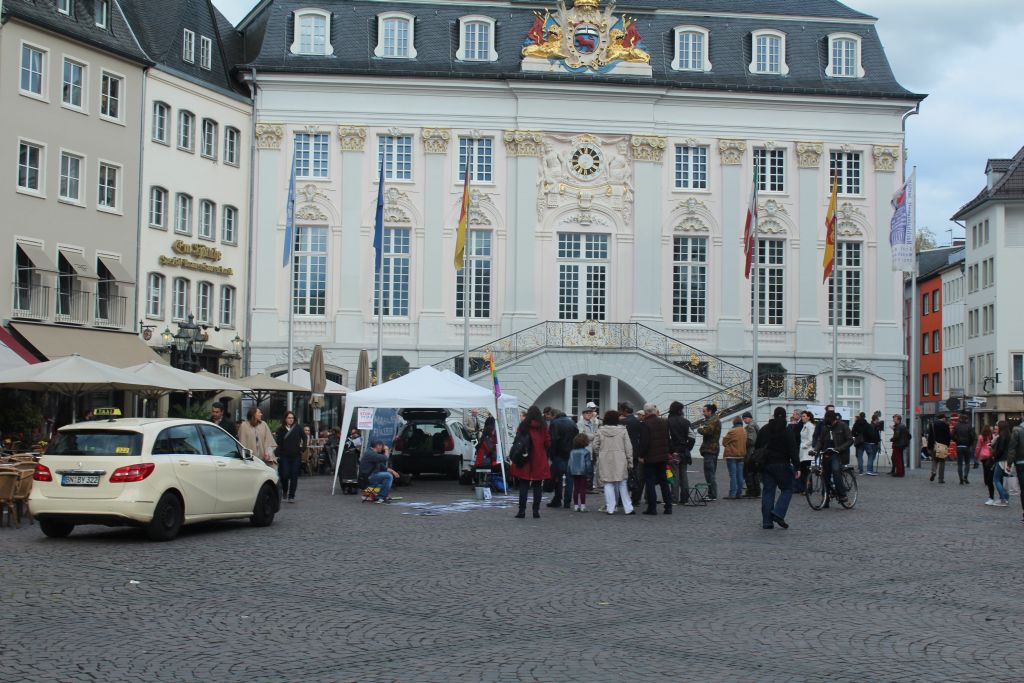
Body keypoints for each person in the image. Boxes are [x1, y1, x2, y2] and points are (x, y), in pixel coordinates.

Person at [756, 406, 800, 529]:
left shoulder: (764, 429)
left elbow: (757, 446)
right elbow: (793, 450)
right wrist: (797, 466)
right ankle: (778, 512)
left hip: (767, 465)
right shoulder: (787, 431)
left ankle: (767, 521)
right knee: (787, 489)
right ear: (785, 417)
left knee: (768, 492)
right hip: (782, 464)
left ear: (774, 416)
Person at [592, 410, 635, 515]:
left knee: (608, 484)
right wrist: (630, 462)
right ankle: (628, 508)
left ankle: (610, 508)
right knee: (622, 483)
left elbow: (595, 446)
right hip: (620, 458)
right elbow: (628, 448)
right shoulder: (623, 430)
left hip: (605, 458)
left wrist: (600, 454)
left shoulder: (600, 430)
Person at [511, 406, 551, 519]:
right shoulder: (543, 426)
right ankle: (535, 511)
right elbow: (547, 443)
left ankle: (521, 511)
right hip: (539, 458)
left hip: (525, 458)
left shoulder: (523, 425)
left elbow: (517, 440)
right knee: (537, 486)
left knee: (523, 485)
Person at [637, 403, 671, 515]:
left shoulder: (645, 424)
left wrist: (641, 455)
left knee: (650, 482)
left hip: (650, 457)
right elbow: (667, 438)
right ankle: (668, 507)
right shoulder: (664, 422)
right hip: (662, 456)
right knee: (664, 481)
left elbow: (644, 443)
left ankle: (652, 507)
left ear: (646, 412)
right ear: (655, 411)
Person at [814, 411, 852, 504]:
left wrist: (839, 449)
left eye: (831, 423)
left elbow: (850, 440)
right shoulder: (825, 427)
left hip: (838, 454)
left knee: (835, 471)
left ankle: (842, 495)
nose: (830, 425)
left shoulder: (843, 426)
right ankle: (825, 499)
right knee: (825, 475)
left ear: (835, 420)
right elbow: (820, 441)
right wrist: (815, 450)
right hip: (827, 453)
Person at [547, 409, 579, 509]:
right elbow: (577, 438)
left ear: (553, 415)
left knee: (558, 479)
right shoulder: (572, 423)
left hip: (559, 455)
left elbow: (553, 440)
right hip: (571, 454)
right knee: (570, 480)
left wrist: (551, 455)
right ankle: (567, 502)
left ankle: (557, 499)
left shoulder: (555, 423)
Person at [273, 410, 306, 503]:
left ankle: (291, 496)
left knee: (294, 475)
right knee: (284, 475)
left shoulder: (298, 428)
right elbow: (278, 442)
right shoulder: (281, 429)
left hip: (296, 456)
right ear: (285, 419)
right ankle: (285, 490)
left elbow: (304, 437)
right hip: (284, 456)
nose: (291, 419)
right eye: (289, 418)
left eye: (292, 418)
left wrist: (303, 447)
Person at [666, 401, 692, 505]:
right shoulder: (686, 422)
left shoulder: (668, 422)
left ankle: (674, 498)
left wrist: (672, 450)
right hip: (684, 452)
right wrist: (687, 448)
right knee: (683, 475)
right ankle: (685, 498)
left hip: (674, 453)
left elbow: (667, 438)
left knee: (674, 476)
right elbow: (692, 437)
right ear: (679, 410)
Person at [619, 402, 644, 504]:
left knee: (623, 476)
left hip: (624, 452)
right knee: (635, 475)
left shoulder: (623, 422)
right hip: (636, 452)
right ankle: (635, 498)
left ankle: (622, 499)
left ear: (624, 410)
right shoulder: (638, 422)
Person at [697, 403, 721, 500]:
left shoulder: (713, 420)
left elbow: (707, 431)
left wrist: (700, 429)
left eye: (704, 411)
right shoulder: (713, 420)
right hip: (712, 449)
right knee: (710, 472)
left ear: (710, 411)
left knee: (709, 473)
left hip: (710, 449)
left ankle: (712, 495)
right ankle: (711, 493)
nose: (703, 413)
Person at [577, 402, 602, 492]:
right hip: (585, 449)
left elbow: (598, 432)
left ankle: (589, 487)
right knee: (586, 469)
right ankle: (585, 487)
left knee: (590, 470)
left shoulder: (593, 423)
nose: (589, 414)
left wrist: (593, 435)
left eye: (590, 413)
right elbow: (583, 436)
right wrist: (593, 436)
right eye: (587, 413)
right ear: (583, 414)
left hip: (593, 449)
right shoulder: (580, 423)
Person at [722, 416, 747, 499]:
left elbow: (724, 442)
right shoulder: (744, 431)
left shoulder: (732, 431)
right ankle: (739, 493)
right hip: (741, 455)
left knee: (733, 475)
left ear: (734, 422)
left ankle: (732, 494)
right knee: (740, 475)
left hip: (732, 455)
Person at [567, 433, 592, 512]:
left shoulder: (572, 452)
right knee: (582, 489)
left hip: (574, 471)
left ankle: (575, 505)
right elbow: (588, 464)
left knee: (576, 489)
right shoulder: (586, 452)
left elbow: (569, 463)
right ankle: (583, 506)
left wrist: (569, 471)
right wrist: (590, 473)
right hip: (583, 472)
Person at [991, 420, 1012, 507]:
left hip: (1001, 460)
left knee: (996, 479)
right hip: (1008, 459)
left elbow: (1000, 449)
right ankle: (1005, 497)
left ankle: (1003, 497)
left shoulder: (1002, 436)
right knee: (1004, 479)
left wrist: (994, 454)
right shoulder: (1009, 436)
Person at [793, 410, 815, 492]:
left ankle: (808, 488)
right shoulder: (805, 425)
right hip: (803, 452)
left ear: (808, 417)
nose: (802, 418)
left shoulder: (810, 426)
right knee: (803, 471)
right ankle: (804, 488)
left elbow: (811, 439)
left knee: (807, 471)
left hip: (807, 452)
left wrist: (803, 445)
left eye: (804, 416)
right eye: (802, 416)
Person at [952, 412, 975, 485]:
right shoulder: (969, 426)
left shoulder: (956, 426)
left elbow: (952, 435)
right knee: (967, 463)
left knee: (959, 464)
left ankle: (961, 478)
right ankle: (965, 476)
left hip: (959, 446)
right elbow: (973, 436)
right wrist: (970, 443)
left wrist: (956, 440)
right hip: (967, 446)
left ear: (960, 419)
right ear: (966, 419)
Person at [928, 413, 951, 483]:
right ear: (943, 418)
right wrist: (947, 445)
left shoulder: (932, 425)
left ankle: (933, 472)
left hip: (934, 445)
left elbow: (930, 436)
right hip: (943, 446)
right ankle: (941, 478)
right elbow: (948, 436)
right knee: (942, 462)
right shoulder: (946, 425)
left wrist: (929, 447)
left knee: (934, 460)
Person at [742, 411, 760, 496]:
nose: (744, 420)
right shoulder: (755, 425)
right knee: (754, 472)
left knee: (748, 472)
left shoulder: (750, 427)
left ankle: (751, 491)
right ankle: (756, 490)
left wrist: (742, 442)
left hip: (750, 452)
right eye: (743, 419)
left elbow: (751, 440)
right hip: (754, 452)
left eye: (745, 418)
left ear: (750, 418)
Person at [977, 424, 995, 504]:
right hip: (990, 455)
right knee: (989, 469)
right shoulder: (991, 436)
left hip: (983, 455)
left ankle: (986, 481)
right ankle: (989, 480)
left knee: (985, 469)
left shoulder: (981, 437)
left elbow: (978, 447)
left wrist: (976, 455)